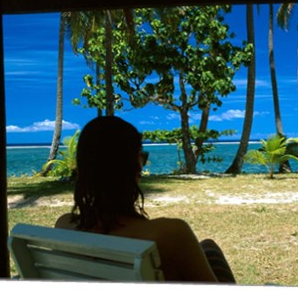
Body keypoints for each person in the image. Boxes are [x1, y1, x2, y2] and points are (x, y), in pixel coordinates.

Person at [55, 116, 235, 283]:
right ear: (133, 166)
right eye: (141, 155)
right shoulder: (170, 234)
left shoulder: (63, 226)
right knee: (209, 248)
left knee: (207, 247)